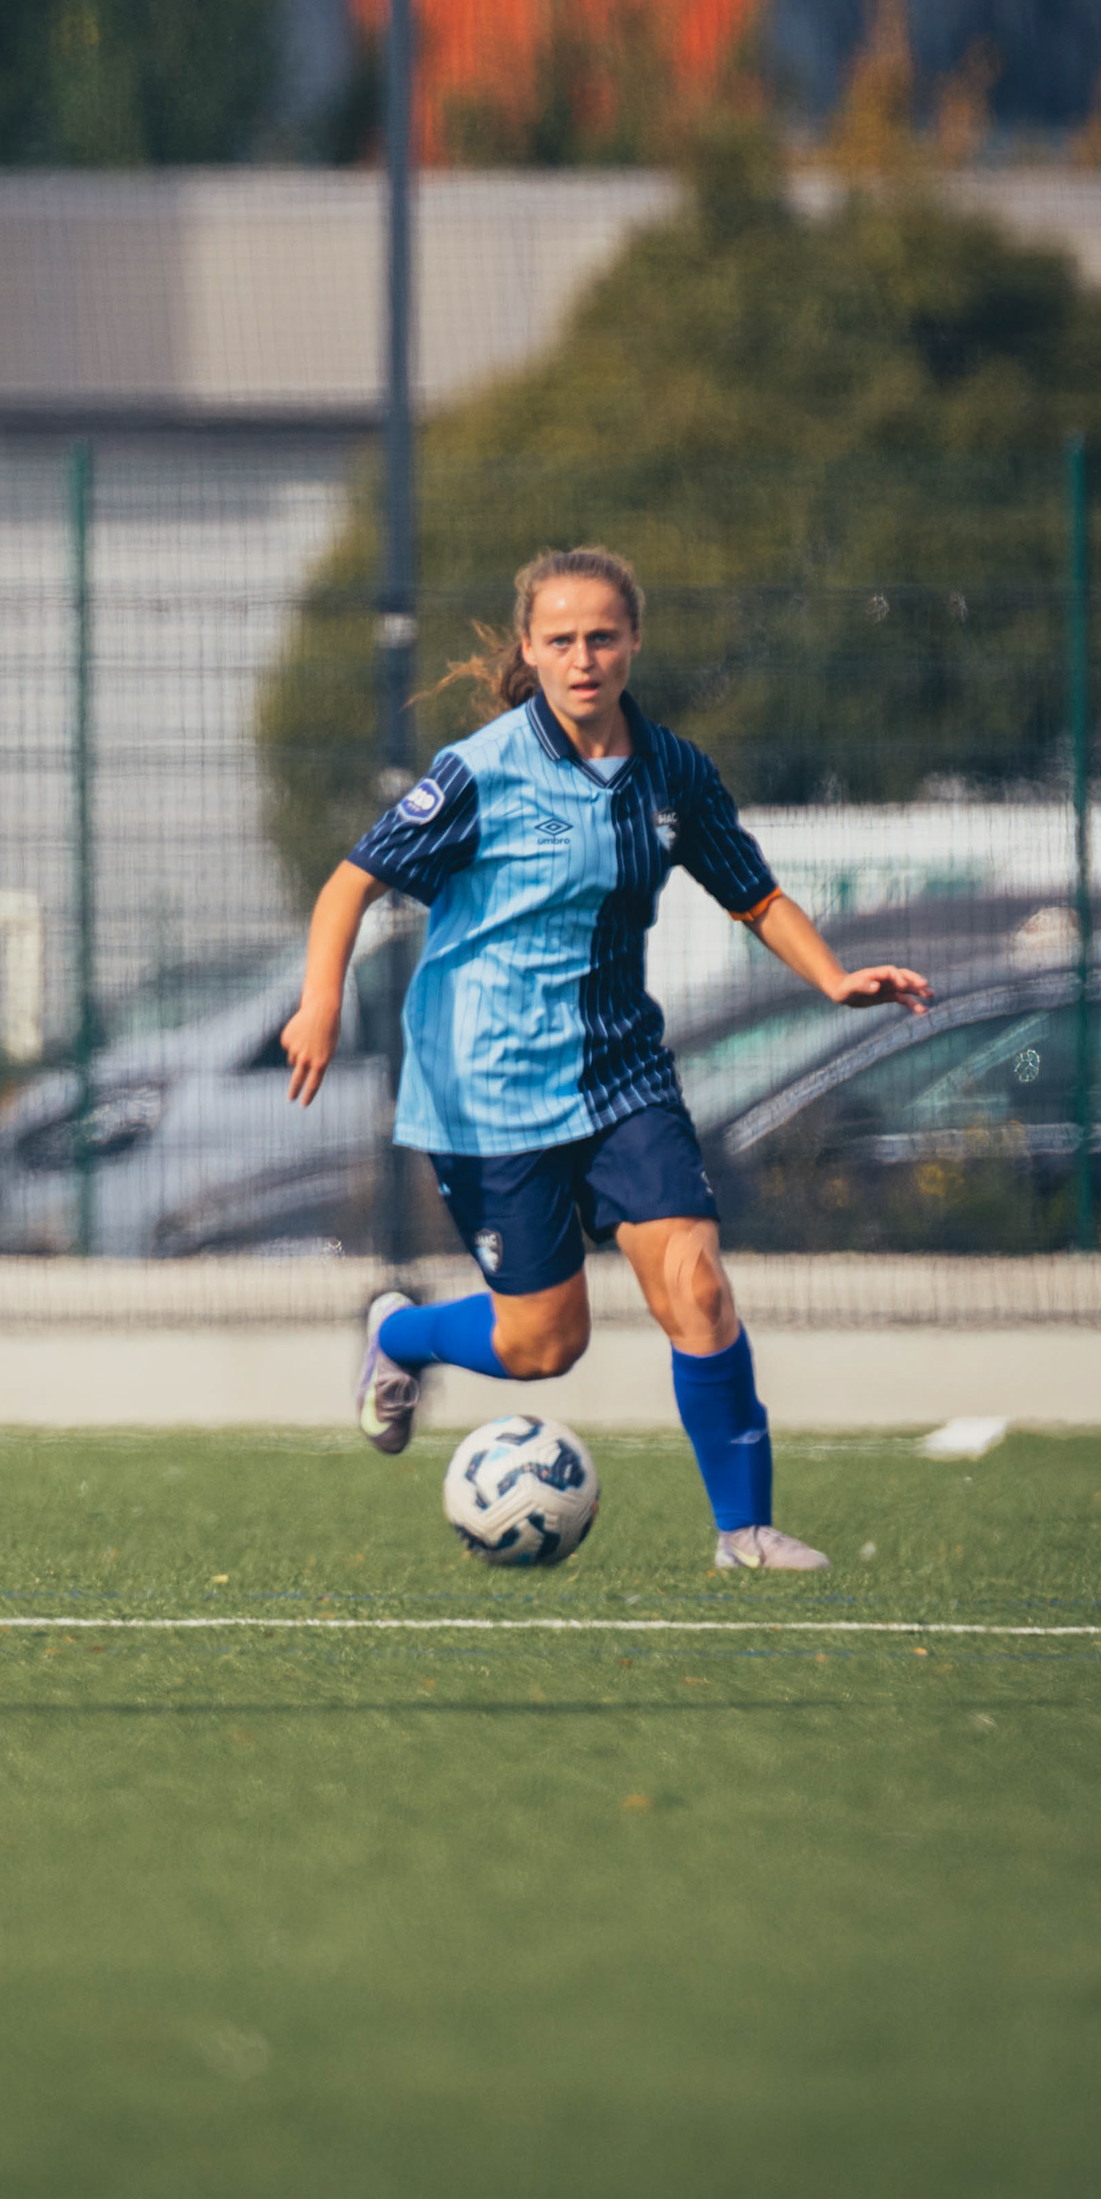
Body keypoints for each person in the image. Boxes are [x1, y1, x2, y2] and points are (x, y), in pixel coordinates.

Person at [281, 546, 932, 1571]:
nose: (583, 658)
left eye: (602, 637)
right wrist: (320, 1002)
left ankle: (744, 1533)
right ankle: (401, 1336)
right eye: (562, 640)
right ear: (531, 649)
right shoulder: (482, 769)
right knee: (544, 1345)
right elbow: (349, 884)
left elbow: (754, 894)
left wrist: (834, 977)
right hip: (488, 1085)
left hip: (623, 1074)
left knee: (698, 1288)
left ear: (633, 643)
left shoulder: (673, 771)